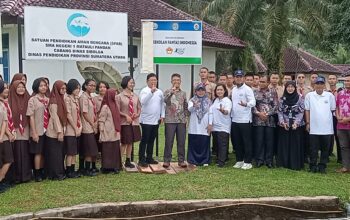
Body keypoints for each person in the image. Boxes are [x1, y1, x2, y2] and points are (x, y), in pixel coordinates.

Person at [305, 76, 336, 173]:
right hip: (314, 127)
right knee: (313, 148)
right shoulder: (309, 95)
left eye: (321, 83)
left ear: (324, 85)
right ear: (314, 85)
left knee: (325, 148)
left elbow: (332, 109)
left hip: (326, 127)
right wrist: (308, 123)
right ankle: (313, 165)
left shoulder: (329, 96)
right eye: (317, 83)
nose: (319, 85)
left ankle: (322, 166)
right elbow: (307, 110)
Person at [277, 81, 305, 170]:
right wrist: (282, 122)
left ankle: (295, 164)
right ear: (285, 88)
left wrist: (296, 123)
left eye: (292, 87)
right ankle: (284, 163)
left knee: (295, 144)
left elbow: (301, 112)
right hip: (284, 125)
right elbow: (280, 111)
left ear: (295, 88)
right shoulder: (282, 99)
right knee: (284, 144)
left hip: (296, 126)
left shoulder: (300, 98)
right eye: (288, 87)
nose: (290, 88)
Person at [231, 70, 256, 170]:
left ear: (243, 78)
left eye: (240, 77)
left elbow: (253, 102)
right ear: (234, 78)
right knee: (237, 142)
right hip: (235, 119)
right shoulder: (233, 89)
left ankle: (248, 161)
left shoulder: (247, 89)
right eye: (237, 77)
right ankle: (239, 160)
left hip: (245, 120)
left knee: (246, 142)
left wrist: (246, 104)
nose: (238, 78)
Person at [139, 73, 165, 167]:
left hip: (156, 120)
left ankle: (149, 157)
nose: (154, 82)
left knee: (152, 140)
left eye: (155, 80)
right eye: (151, 80)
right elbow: (143, 101)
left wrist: (162, 115)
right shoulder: (144, 91)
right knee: (144, 140)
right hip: (146, 120)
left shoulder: (160, 92)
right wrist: (151, 92)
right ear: (147, 81)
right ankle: (141, 159)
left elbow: (162, 104)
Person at [253, 75, 278, 168]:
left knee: (269, 141)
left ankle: (269, 160)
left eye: (263, 82)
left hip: (269, 121)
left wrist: (267, 114)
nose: (261, 83)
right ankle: (259, 160)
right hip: (258, 120)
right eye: (260, 81)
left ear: (268, 82)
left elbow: (276, 106)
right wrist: (259, 114)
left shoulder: (273, 92)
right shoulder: (254, 91)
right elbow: (252, 105)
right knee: (259, 140)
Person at [163, 73, 188, 168]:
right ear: (171, 81)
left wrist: (186, 117)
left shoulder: (183, 93)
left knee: (181, 141)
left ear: (180, 82)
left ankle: (181, 160)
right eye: (174, 80)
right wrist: (171, 93)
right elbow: (166, 101)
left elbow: (185, 106)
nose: (176, 82)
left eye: (178, 80)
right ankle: (166, 160)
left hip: (181, 120)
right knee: (169, 141)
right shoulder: (167, 91)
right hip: (170, 120)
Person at [8, 80, 31, 184]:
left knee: (25, 152)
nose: (21, 89)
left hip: (26, 129)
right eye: (19, 87)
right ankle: (16, 176)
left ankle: (26, 176)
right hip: (14, 129)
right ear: (14, 89)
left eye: (23, 87)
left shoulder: (28, 98)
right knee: (16, 152)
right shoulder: (9, 100)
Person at [27, 78, 49, 181]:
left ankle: (43, 170)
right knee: (38, 152)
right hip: (38, 129)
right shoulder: (33, 100)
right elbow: (30, 116)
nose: (43, 87)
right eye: (41, 85)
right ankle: (37, 173)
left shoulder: (48, 100)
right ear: (36, 87)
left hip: (47, 130)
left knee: (44, 151)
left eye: (45, 85)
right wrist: (34, 132)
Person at [117, 76, 141, 168]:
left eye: (133, 82)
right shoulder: (119, 97)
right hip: (124, 123)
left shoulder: (135, 96)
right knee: (124, 142)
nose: (132, 84)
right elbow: (117, 110)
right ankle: (119, 161)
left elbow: (139, 108)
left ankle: (128, 160)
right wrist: (125, 115)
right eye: (131, 82)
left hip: (134, 122)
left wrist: (137, 114)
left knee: (130, 142)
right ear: (125, 83)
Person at [45, 81, 67, 180]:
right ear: (57, 88)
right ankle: (55, 174)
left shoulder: (60, 99)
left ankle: (59, 172)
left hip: (60, 129)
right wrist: (59, 131)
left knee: (59, 153)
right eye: (62, 88)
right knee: (55, 154)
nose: (64, 90)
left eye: (65, 89)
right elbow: (55, 117)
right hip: (54, 131)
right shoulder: (53, 100)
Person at [187, 84, 212, 166]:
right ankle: (193, 160)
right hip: (194, 126)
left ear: (205, 91)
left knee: (204, 142)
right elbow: (190, 109)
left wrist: (210, 123)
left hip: (204, 125)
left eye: (202, 90)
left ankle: (205, 160)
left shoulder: (208, 101)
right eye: (198, 90)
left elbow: (211, 113)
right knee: (194, 142)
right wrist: (194, 106)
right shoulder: (192, 100)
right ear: (195, 91)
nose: (200, 92)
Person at [99, 89, 122, 174]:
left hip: (114, 132)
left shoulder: (114, 105)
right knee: (108, 150)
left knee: (114, 149)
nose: (115, 96)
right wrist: (101, 131)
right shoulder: (105, 106)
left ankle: (115, 166)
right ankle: (107, 168)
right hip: (107, 132)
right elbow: (101, 120)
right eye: (114, 95)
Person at [79, 79, 99, 176]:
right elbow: (84, 113)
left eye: (94, 86)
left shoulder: (90, 97)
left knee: (89, 148)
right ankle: (86, 170)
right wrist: (93, 124)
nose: (92, 87)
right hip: (87, 127)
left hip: (90, 126)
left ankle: (86, 168)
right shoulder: (84, 98)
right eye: (90, 85)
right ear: (85, 86)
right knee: (89, 150)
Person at [209, 84, 232, 167]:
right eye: (218, 90)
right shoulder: (215, 100)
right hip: (215, 126)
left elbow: (227, 111)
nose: (219, 91)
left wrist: (223, 111)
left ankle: (221, 162)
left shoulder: (227, 101)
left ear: (225, 91)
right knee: (217, 144)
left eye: (221, 90)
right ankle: (222, 158)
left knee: (222, 144)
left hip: (223, 126)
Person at [64, 79, 82, 178]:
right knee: (70, 152)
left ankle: (73, 169)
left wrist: (80, 127)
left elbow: (78, 115)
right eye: (76, 88)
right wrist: (75, 128)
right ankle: (69, 170)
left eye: (79, 88)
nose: (78, 90)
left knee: (75, 151)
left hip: (77, 129)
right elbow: (68, 115)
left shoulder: (76, 99)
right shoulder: (68, 99)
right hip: (70, 130)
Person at [93, 81, 110, 172]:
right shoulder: (95, 99)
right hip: (97, 124)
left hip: (107, 125)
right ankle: (95, 161)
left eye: (104, 87)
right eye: (100, 87)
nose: (102, 89)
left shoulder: (110, 99)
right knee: (96, 142)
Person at [0, 80, 14, 192]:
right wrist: (7, 134)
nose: (6, 89)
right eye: (4, 87)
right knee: (7, 159)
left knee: (8, 160)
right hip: (3, 137)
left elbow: (6, 121)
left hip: (4, 136)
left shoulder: (4, 103)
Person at [335, 74, 350, 173]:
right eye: (346, 81)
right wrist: (337, 116)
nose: (347, 82)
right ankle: (345, 167)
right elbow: (336, 107)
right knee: (344, 147)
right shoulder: (340, 93)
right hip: (341, 126)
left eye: (349, 81)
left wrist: (348, 119)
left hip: (348, 123)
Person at [328, 74, 341, 162]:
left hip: (338, 117)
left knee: (339, 137)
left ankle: (340, 158)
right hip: (328, 117)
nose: (332, 80)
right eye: (330, 79)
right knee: (328, 136)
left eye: (333, 79)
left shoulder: (341, 92)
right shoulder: (325, 92)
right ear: (328, 81)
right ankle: (327, 155)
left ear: (336, 81)